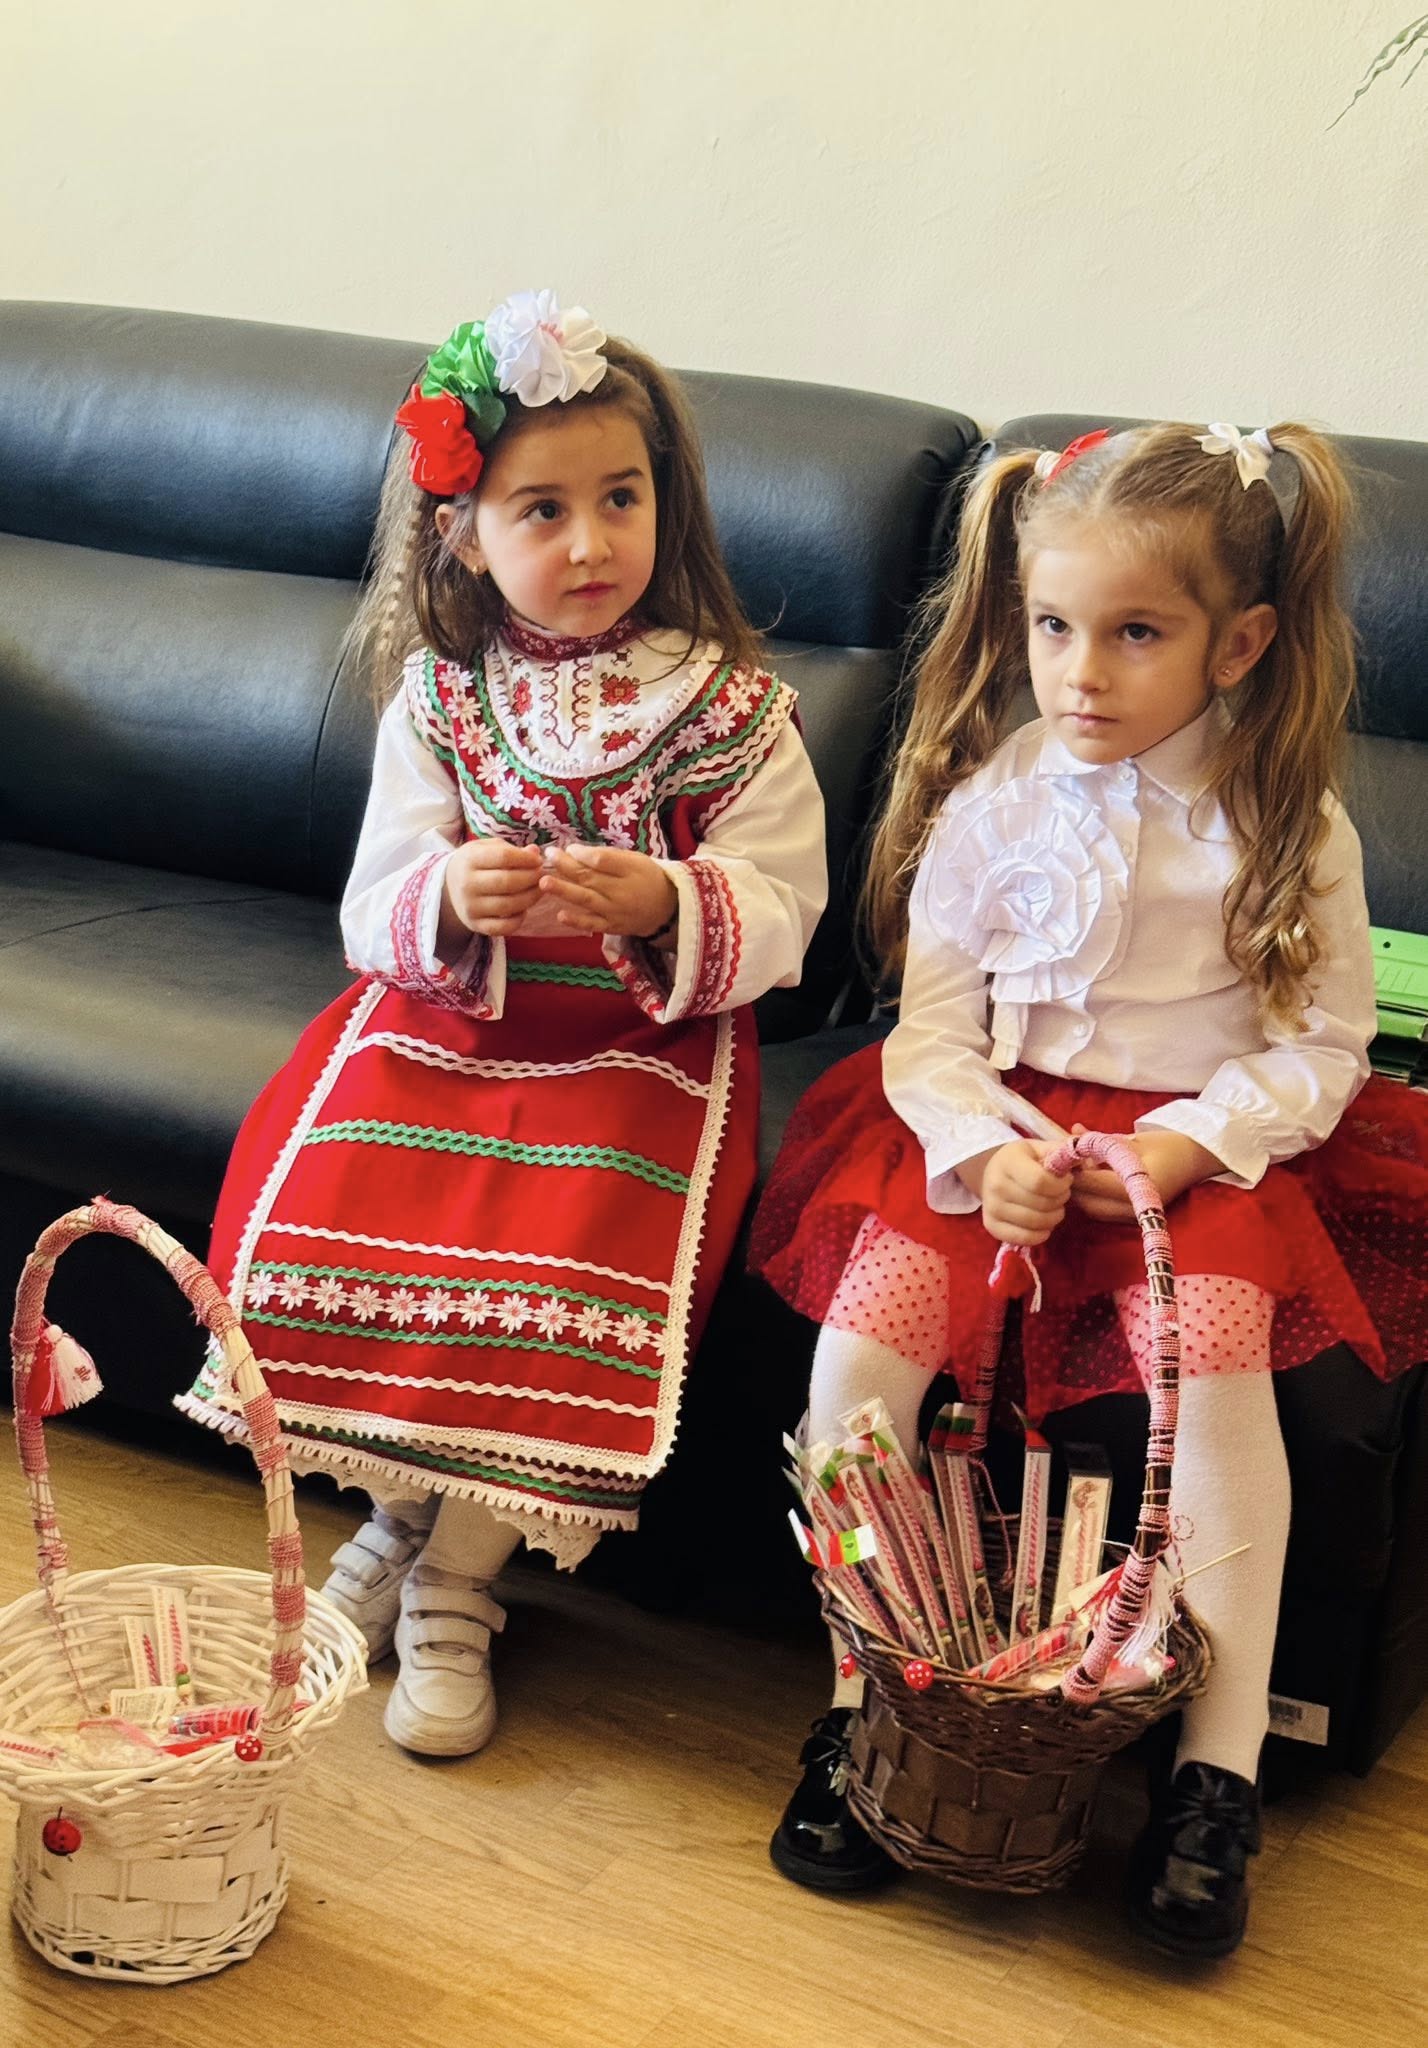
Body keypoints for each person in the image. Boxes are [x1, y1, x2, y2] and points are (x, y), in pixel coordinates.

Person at [750, 419, 1428, 1956]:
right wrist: (981, 1155)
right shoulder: (990, 802)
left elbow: (1325, 1043)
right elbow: (928, 1031)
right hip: (996, 1144)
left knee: (1218, 1396)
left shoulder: (1288, 821)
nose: (1081, 674)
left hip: (1192, 1161)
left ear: (1237, 643)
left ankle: (1216, 1776)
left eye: (1136, 633)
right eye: (1054, 627)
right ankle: (866, 1700)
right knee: (856, 1363)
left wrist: (1191, 1143)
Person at [180, 290, 826, 1759]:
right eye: (545, 509)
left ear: (667, 502)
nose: (591, 541)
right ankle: (395, 1512)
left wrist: (667, 898)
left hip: (637, 1047)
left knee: (566, 1253)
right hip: (453, 1021)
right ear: (464, 535)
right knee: (344, 1199)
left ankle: (456, 1582)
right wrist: (450, 892)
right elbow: (373, 904)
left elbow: (790, 902)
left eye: (621, 498)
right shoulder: (439, 700)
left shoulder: (734, 710)